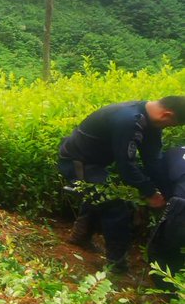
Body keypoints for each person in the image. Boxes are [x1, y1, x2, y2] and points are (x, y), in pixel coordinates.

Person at [58, 97, 185, 273]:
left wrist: (169, 195)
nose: (167, 128)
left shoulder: (150, 122)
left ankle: (80, 235)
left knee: (101, 192)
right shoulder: (129, 119)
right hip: (77, 163)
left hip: (95, 163)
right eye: (171, 125)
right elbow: (126, 166)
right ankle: (116, 265)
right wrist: (149, 193)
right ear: (167, 114)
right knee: (115, 206)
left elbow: (153, 161)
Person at [148, 146, 185, 289]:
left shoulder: (173, 153)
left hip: (181, 206)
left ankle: (166, 294)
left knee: (162, 250)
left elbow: (160, 179)